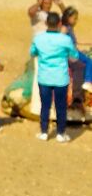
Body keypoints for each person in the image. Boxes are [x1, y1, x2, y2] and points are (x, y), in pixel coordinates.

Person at [30, 11, 78, 143]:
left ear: (46, 23)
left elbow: (32, 52)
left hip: (44, 77)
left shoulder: (39, 38)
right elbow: (75, 55)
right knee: (61, 106)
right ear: (59, 24)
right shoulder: (65, 40)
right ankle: (61, 134)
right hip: (61, 78)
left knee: (45, 105)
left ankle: (44, 132)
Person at [61, 6, 92, 92]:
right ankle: (88, 81)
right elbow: (61, 40)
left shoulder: (70, 28)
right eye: (74, 18)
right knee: (89, 61)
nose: (76, 21)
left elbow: (75, 42)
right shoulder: (65, 28)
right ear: (68, 17)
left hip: (73, 51)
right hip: (70, 53)